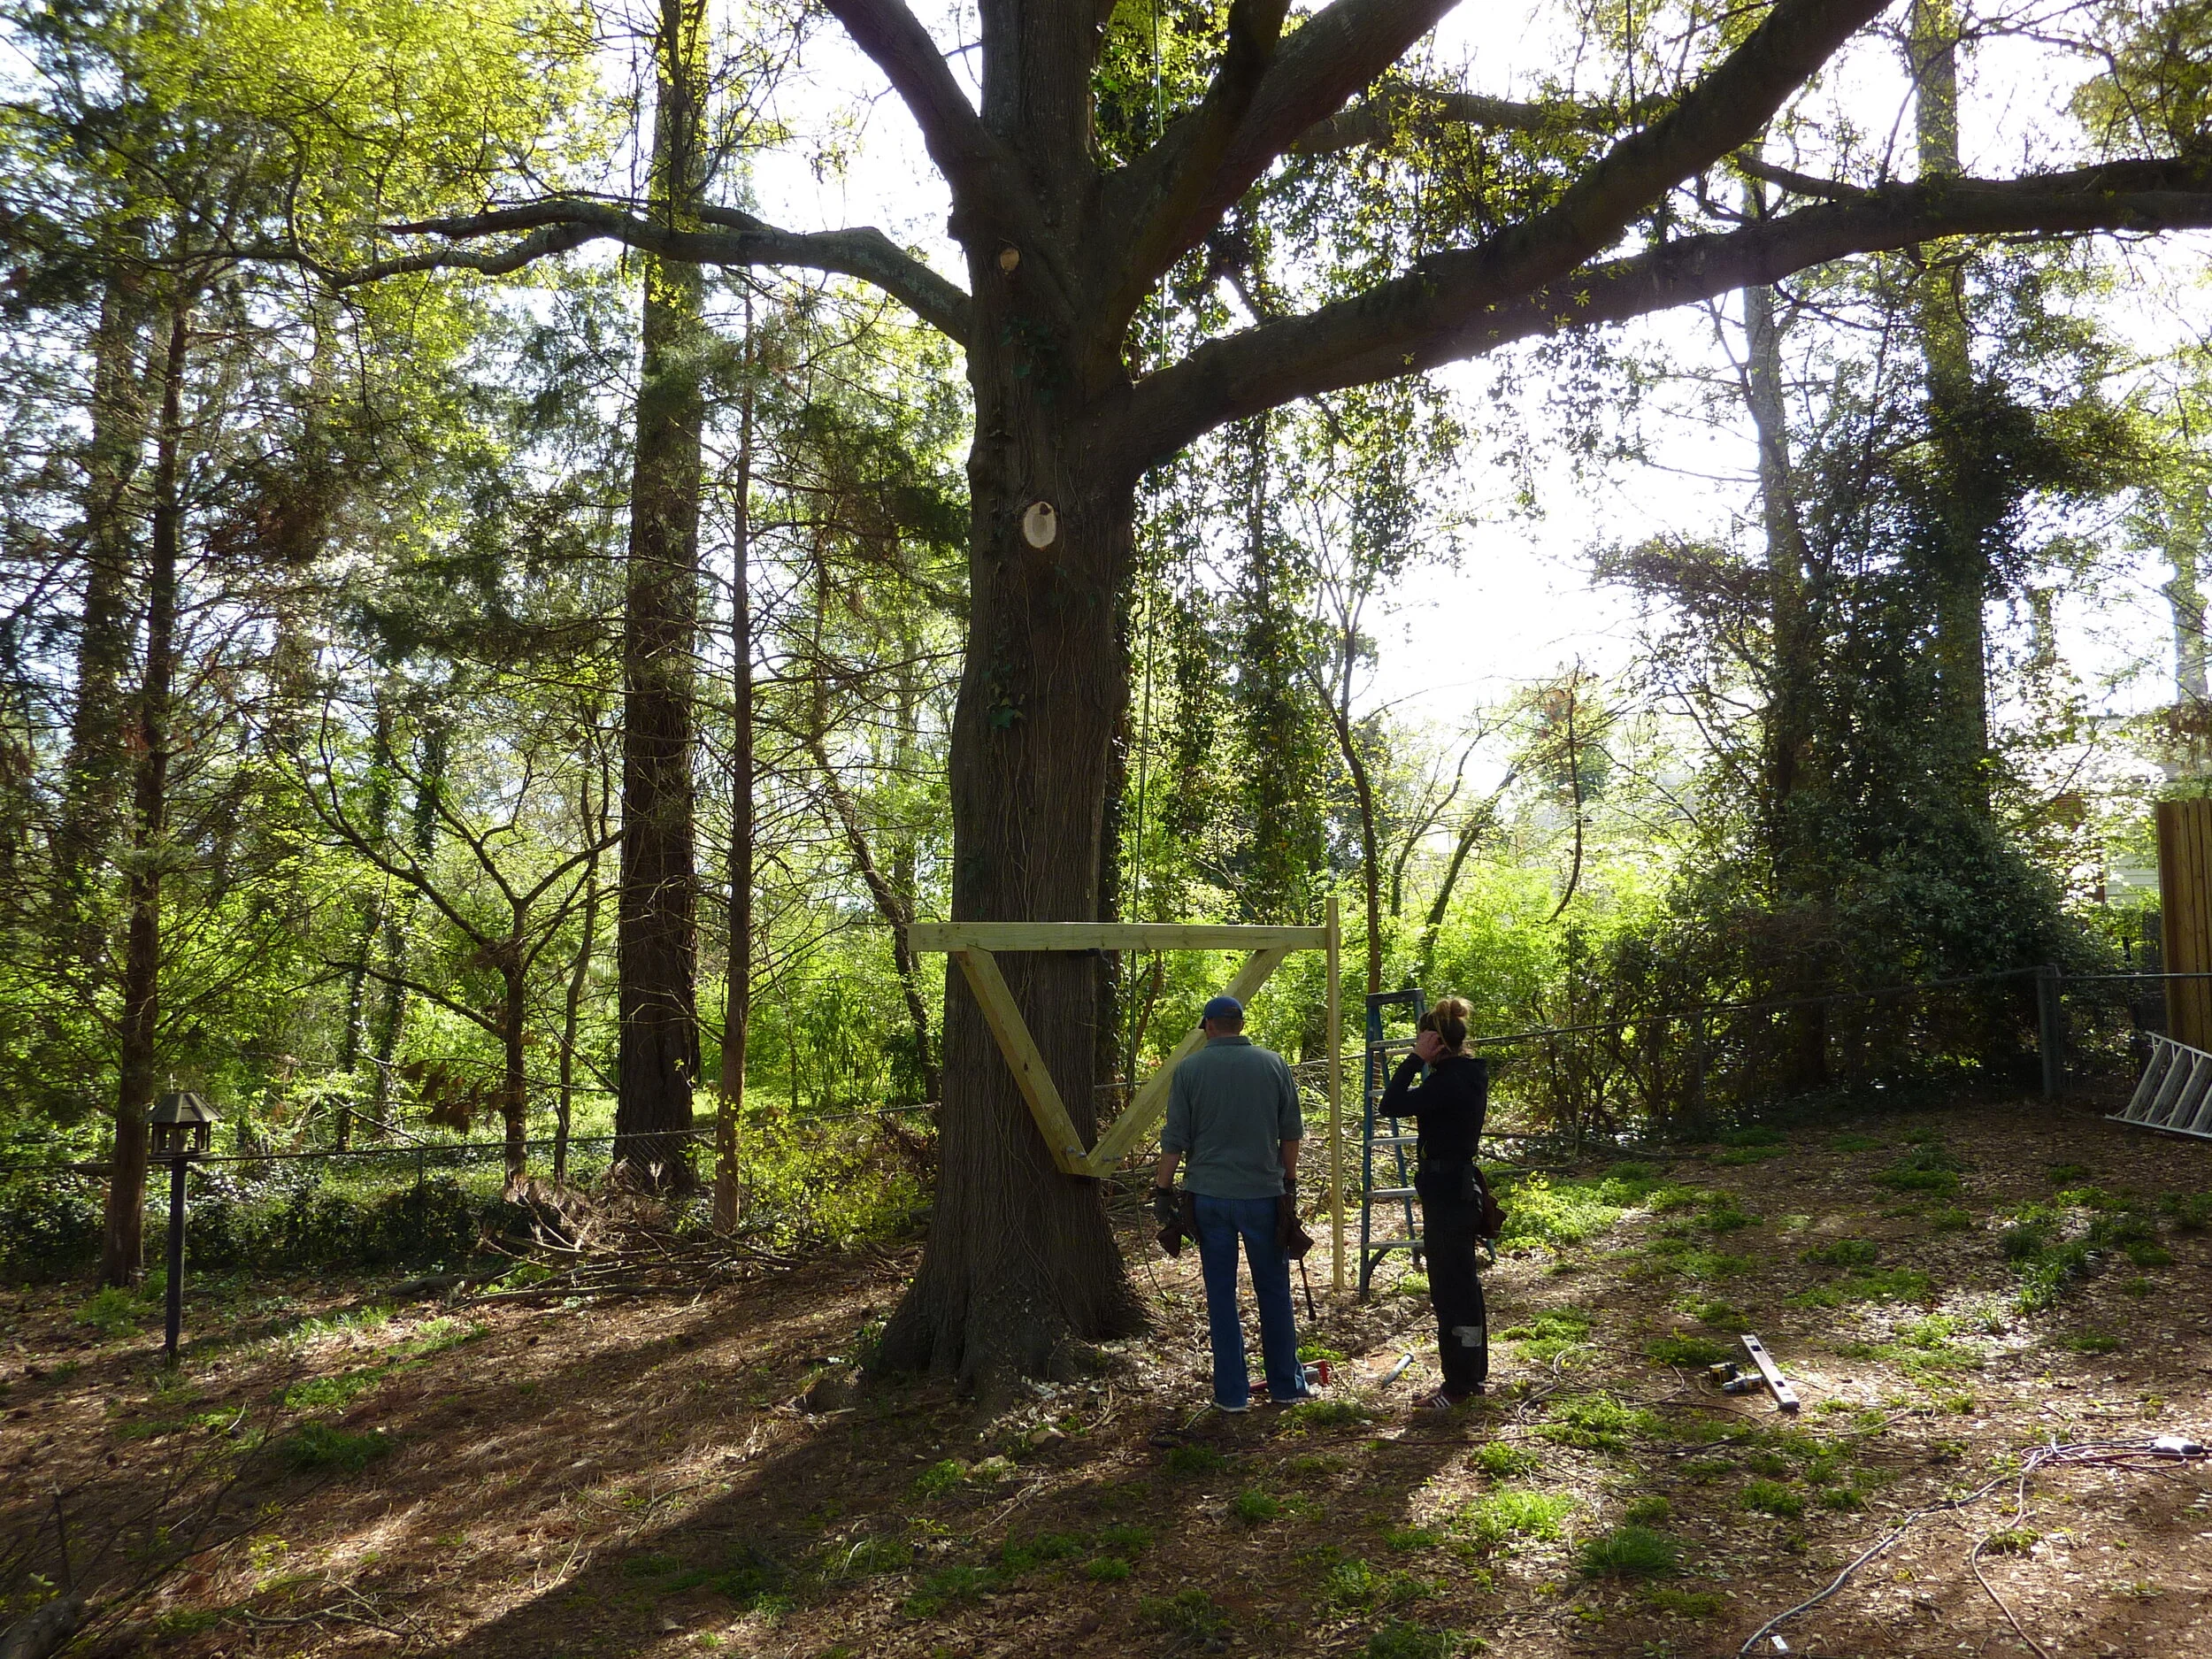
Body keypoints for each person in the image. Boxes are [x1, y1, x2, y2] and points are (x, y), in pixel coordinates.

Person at [1153, 993, 1311, 1412]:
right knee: (1274, 1290)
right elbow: (1290, 1132)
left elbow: (1175, 1138)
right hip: (1264, 1195)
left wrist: (1162, 1190)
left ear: (1207, 1026)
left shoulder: (1189, 1070)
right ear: (1240, 1025)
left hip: (1209, 1198)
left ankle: (1231, 1394)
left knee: (1221, 1295)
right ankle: (1286, 1386)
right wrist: (1288, 1182)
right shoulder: (1273, 1064)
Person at [1380, 996, 1491, 1408]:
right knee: (1462, 1286)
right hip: (1452, 1189)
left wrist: (1412, 1060)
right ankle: (1471, 1375)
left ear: (1435, 1043)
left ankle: (1459, 1385)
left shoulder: (1449, 1080)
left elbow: (1390, 1104)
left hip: (1449, 1192)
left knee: (1451, 1289)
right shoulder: (1465, 1073)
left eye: (1422, 1041)